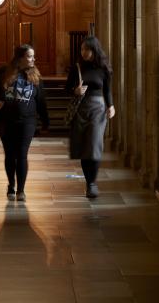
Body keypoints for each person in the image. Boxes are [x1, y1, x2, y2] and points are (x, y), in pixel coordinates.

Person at [0, 44, 50, 201]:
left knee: (22, 154)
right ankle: (11, 186)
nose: (33, 59)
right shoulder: (4, 72)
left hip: (28, 121)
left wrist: (45, 121)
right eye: (29, 56)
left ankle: (21, 190)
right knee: (9, 155)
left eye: (33, 56)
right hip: (6, 120)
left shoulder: (35, 76)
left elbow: (41, 100)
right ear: (20, 58)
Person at [66, 35, 115, 198]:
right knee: (83, 147)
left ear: (94, 50)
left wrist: (111, 105)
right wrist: (75, 90)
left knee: (94, 145)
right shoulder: (77, 67)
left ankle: (93, 183)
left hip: (98, 109)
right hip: (80, 108)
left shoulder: (103, 68)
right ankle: (89, 183)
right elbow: (66, 88)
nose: (83, 52)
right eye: (82, 49)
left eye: (86, 49)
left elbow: (107, 89)